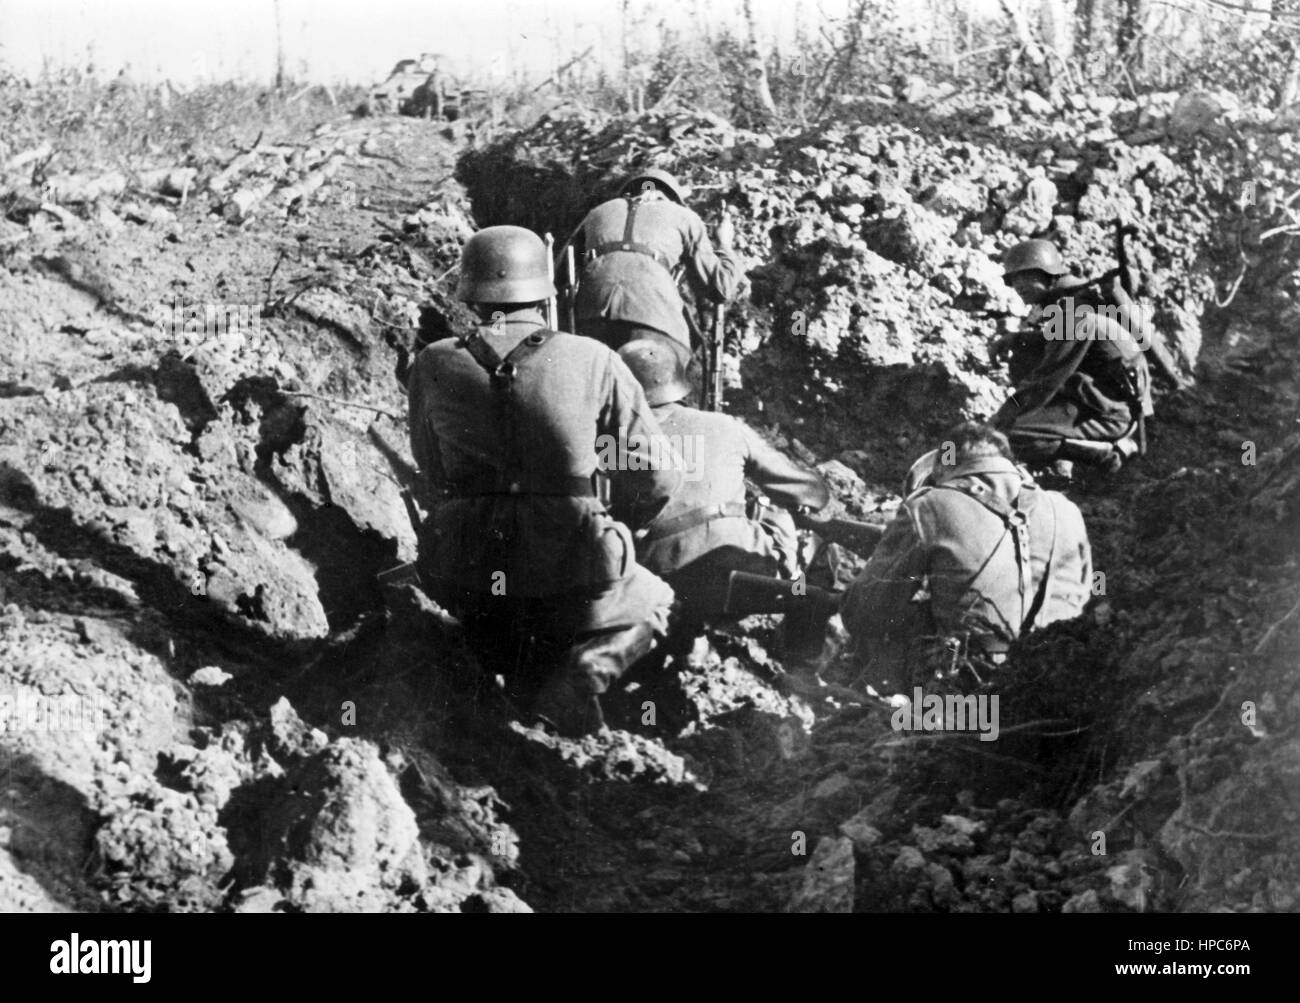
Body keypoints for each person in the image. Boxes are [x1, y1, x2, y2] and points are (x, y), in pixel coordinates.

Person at [407, 225, 679, 736]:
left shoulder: (434, 362)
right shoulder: (595, 359)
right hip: (571, 560)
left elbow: (430, 471)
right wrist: (622, 526)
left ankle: (486, 678)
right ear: (544, 289)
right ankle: (579, 679)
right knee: (656, 598)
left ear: (470, 292)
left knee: (494, 626)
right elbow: (656, 473)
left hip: (466, 561)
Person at [615, 337, 839, 665]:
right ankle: (801, 659)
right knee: (817, 540)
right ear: (678, 381)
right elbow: (810, 493)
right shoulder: (722, 426)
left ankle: (687, 639)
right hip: (739, 575)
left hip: (653, 579)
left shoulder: (612, 440)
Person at [842, 423, 1092, 689]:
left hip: (978, 684)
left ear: (944, 467)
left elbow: (863, 613)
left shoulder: (930, 504)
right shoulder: (1068, 510)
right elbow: (1088, 593)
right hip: (1063, 678)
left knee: (890, 623)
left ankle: (891, 717)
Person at [990, 238, 1154, 477]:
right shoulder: (1072, 302)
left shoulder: (1072, 311)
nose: (1018, 285)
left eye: (1026, 276)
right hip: (1101, 398)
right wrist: (1016, 340)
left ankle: (1109, 452)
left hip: (1111, 413)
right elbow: (1052, 341)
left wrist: (1002, 416)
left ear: (1048, 273)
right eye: (1014, 279)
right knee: (1024, 360)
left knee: (1011, 437)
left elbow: (1045, 380)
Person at [567, 169, 744, 363]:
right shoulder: (683, 216)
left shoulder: (597, 213)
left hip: (591, 316)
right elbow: (720, 286)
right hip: (652, 318)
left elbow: (564, 275)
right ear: (671, 197)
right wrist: (725, 243)